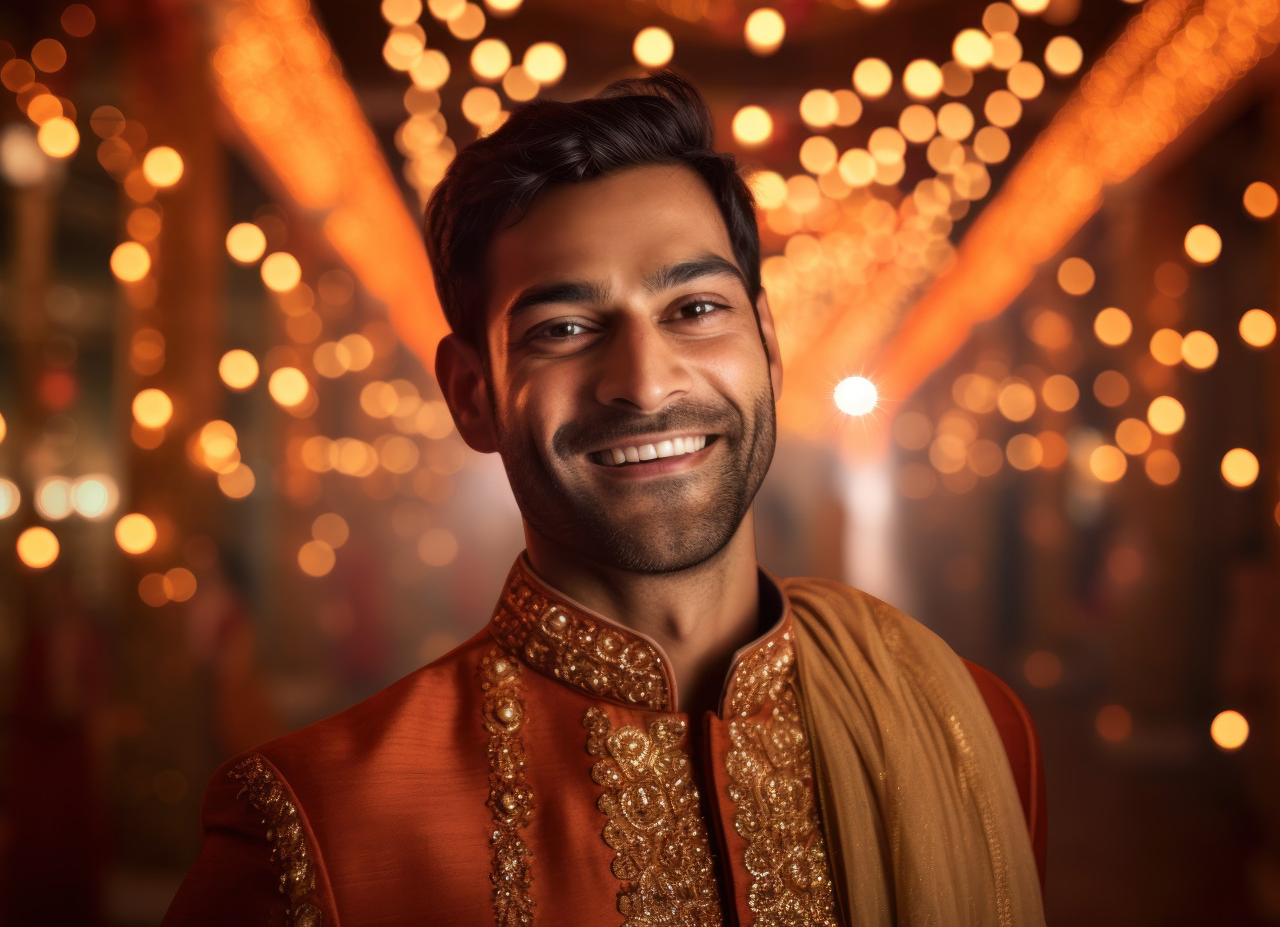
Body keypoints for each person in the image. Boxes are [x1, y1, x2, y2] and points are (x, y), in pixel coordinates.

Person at [164, 72, 1046, 926]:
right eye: (565, 329)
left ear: (767, 345)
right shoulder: (315, 832)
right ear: (472, 393)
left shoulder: (971, 736)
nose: (646, 384)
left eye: (695, 308)